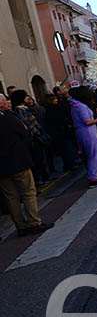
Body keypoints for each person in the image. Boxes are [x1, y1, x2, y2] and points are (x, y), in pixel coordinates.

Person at [0, 93, 54, 236]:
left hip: (2, 168)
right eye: (5, 100)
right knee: (28, 192)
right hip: (18, 161)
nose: (8, 102)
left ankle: (21, 226)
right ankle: (34, 222)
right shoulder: (9, 118)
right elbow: (25, 133)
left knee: (11, 197)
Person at [69, 86, 97, 187]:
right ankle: (93, 178)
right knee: (94, 155)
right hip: (88, 132)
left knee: (92, 155)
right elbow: (87, 121)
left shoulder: (75, 105)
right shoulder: (81, 106)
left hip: (84, 132)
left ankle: (94, 176)